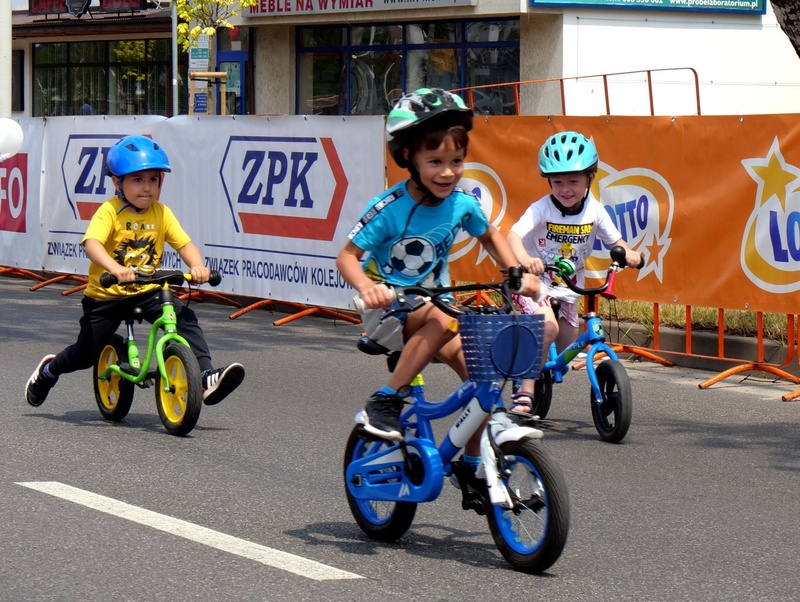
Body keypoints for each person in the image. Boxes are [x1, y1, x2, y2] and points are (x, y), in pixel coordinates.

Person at [336, 87, 542, 461]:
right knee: (443, 320)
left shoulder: (462, 204)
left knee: (481, 375)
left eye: (457, 161)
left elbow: (490, 235)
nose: (448, 172)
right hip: (388, 309)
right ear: (407, 157)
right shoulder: (388, 208)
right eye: (435, 161)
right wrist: (367, 287)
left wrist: (516, 271)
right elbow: (347, 257)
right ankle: (385, 400)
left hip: (437, 310)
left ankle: (476, 462)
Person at [25, 135, 245, 408]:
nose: (147, 188)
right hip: (106, 295)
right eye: (138, 180)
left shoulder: (161, 213)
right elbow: (92, 244)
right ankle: (49, 371)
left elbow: (184, 244)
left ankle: (204, 377)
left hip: (148, 291)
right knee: (85, 354)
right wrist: (116, 269)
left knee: (185, 317)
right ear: (117, 182)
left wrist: (197, 266)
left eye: (154, 180)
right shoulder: (110, 211)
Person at [506, 130, 641, 416]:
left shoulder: (595, 211)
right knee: (547, 328)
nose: (565, 189)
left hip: (568, 286)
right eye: (557, 182)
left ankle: (535, 362)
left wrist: (630, 254)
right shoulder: (542, 208)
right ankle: (525, 392)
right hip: (534, 283)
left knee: (568, 344)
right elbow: (513, 236)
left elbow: (617, 242)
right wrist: (526, 260)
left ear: (590, 178)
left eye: (573, 181)